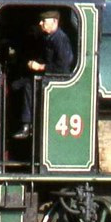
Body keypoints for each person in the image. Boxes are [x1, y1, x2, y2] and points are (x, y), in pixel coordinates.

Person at [11, 10, 74, 139]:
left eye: (44, 21)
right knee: (16, 85)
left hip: (57, 79)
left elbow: (63, 66)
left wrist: (40, 66)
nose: (40, 23)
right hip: (49, 75)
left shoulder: (60, 39)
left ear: (54, 22)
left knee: (29, 86)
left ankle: (26, 126)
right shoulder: (48, 38)